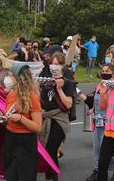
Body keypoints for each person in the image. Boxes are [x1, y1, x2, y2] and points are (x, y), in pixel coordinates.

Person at [78, 64, 114, 181]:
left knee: (107, 151)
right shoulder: (100, 85)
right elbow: (92, 101)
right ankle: (97, 170)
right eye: (102, 70)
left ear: (113, 73)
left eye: (107, 71)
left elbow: (108, 105)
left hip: (109, 124)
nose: (104, 72)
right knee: (96, 149)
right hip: (98, 123)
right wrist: (77, 92)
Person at [38, 52, 73, 181]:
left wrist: (59, 89)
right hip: (45, 116)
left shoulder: (67, 83)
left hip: (59, 118)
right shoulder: (45, 80)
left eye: (57, 64)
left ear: (62, 66)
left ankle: (53, 177)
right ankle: (49, 178)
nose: (53, 66)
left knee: (51, 149)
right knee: (45, 152)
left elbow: (69, 104)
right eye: (52, 63)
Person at [4, 64, 42, 181]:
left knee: (26, 175)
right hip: (10, 138)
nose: (8, 79)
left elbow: (37, 127)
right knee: (10, 175)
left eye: (10, 76)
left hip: (26, 141)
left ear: (18, 78)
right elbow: (9, 119)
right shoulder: (10, 95)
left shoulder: (32, 98)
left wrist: (20, 118)